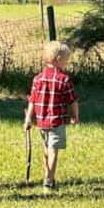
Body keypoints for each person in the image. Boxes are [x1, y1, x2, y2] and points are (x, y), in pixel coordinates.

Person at [24, 41, 79, 191]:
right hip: (57, 121)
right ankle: (49, 179)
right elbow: (72, 100)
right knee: (53, 150)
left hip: (41, 121)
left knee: (46, 148)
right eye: (66, 60)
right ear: (58, 58)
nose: (66, 63)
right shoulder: (63, 79)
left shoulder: (38, 78)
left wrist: (28, 118)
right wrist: (75, 116)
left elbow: (32, 100)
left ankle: (47, 175)